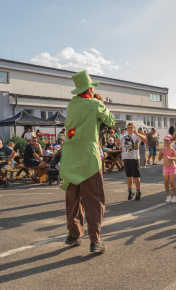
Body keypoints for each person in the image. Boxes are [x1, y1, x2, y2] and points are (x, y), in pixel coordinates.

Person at [60, 70, 115, 253]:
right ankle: (95, 240)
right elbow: (111, 121)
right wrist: (101, 104)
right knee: (94, 199)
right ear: (90, 89)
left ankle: (74, 234)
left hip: (70, 156)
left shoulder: (71, 105)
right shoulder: (94, 104)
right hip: (88, 158)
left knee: (73, 199)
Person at [116, 122, 146, 200]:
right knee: (128, 176)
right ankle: (130, 191)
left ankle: (138, 191)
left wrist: (137, 133)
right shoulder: (123, 136)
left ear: (134, 129)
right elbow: (118, 145)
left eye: (131, 128)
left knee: (136, 176)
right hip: (126, 158)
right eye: (128, 128)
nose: (129, 129)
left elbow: (145, 139)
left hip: (134, 158)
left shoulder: (136, 136)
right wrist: (117, 141)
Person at [158, 135, 176, 203]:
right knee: (166, 182)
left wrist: (170, 158)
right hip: (165, 168)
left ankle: (175, 195)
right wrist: (159, 154)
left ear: (171, 142)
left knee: (171, 182)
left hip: (172, 167)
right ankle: (168, 196)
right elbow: (159, 159)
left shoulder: (173, 150)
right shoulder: (163, 150)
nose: (166, 142)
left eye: (168, 141)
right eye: (165, 141)